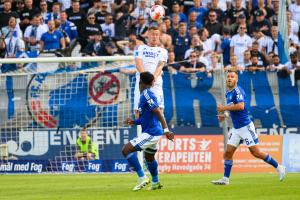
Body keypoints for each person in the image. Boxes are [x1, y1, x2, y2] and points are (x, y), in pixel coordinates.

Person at [211, 70, 286, 185]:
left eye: (232, 77)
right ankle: (225, 179)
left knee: (256, 153)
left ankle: (279, 167)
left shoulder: (238, 91)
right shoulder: (228, 93)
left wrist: (224, 108)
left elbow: (241, 106)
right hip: (236, 128)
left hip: (246, 127)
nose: (229, 78)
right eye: (228, 77)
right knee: (228, 153)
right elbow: (232, 109)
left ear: (236, 79)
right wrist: (225, 115)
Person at [122, 71, 174, 191]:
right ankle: (155, 182)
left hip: (152, 132)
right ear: (151, 82)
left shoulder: (147, 94)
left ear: (140, 81)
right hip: (152, 131)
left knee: (126, 150)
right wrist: (134, 122)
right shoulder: (143, 95)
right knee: (149, 157)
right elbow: (146, 117)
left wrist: (166, 130)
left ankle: (142, 177)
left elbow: (158, 112)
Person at [134, 26, 168, 118]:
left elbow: (160, 66)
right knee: (138, 111)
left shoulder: (163, 51)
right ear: (148, 35)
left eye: (157, 35)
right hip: (141, 84)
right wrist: (146, 79)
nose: (155, 37)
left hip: (155, 83)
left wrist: (152, 79)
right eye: (152, 34)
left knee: (159, 110)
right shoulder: (139, 48)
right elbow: (138, 64)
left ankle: (159, 132)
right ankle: (142, 132)